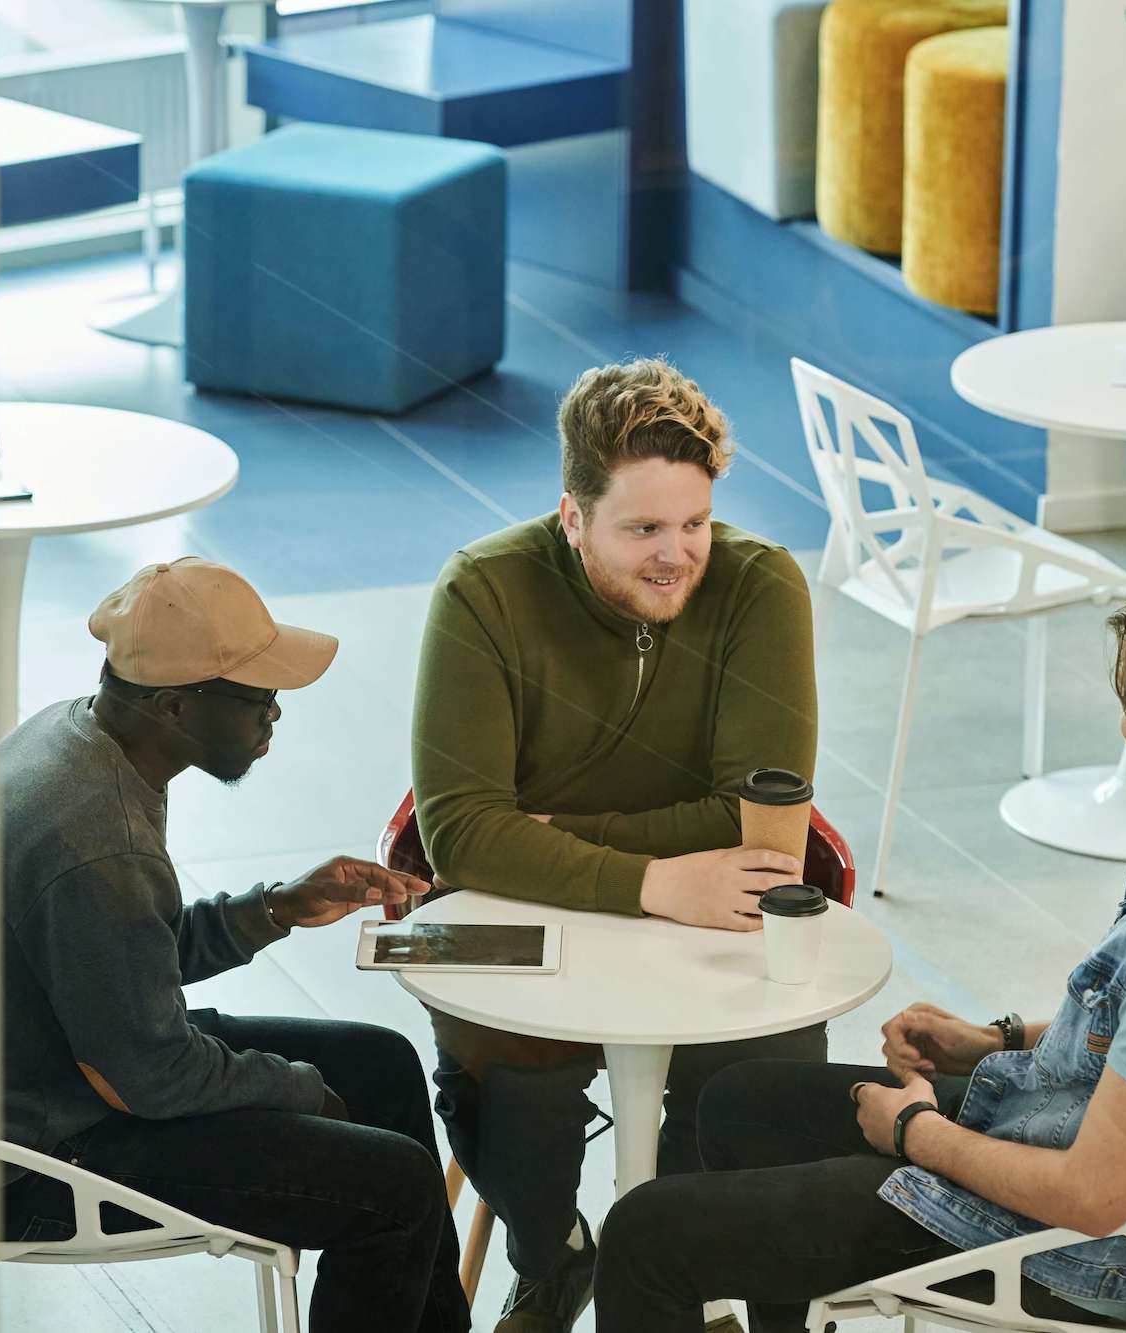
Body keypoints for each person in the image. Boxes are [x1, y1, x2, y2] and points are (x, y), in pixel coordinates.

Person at [592, 565, 1126, 1332]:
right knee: (738, 1102)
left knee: (642, 1235)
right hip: (1100, 1142)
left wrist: (914, 1135)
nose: (1124, 726)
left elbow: (1093, 1195)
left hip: (1060, 1251)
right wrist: (993, 1039)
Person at [0, 558, 471, 1333]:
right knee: (396, 1186)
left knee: (384, 1065)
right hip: (33, 1158)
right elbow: (149, 1077)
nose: (276, 713)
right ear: (175, 705)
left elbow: (132, 952)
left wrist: (276, 907)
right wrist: (305, 1092)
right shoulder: (98, 835)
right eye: (256, 697)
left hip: (41, 1073)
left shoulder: (85, 736)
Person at [409, 358, 822, 1331]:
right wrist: (650, 880)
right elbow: (460, 833)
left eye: (694, 523)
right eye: (641, 529)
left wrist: (562, 840)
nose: (676, 555)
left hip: (697, 911)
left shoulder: (762, 587)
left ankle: (689, 1279)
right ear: (570, 517)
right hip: (530, 914)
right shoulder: (481, 592)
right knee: (499, 1083)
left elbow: (755, 819)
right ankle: (552, 1253)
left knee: (771, 1085)